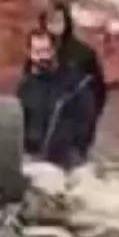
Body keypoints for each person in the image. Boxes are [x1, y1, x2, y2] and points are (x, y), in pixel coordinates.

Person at [17, 28, 97, 169]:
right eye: (37, 52)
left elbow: (87, 119)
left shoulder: (75, 84)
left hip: (67, 158)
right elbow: (18, 123)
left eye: (46, 51)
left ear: (54, 51)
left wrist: (76, 149)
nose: (43, 57)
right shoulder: (25, 88)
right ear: (29, 54)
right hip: (33, 157)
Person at [41, 0, 108, 145]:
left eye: (58, 21)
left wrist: (90, 120)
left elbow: (98, 90)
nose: (55, 27)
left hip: (75, 127)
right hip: (44, 131)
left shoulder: (82, 53)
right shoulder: (39, 53)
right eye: (50, 22)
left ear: (66, 22)